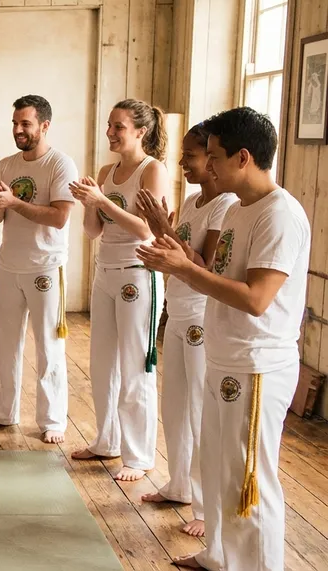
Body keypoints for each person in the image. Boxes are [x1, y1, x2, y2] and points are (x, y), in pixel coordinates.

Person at [138, 107, 310, 571]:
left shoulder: (279, 215)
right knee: (216, 471)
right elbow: (215, 273)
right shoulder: (239, 209)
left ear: (244, 157)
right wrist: (176, 251)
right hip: (225, 355)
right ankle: (220, 556)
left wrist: (184, 269)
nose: (207, 167)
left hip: (256, 364)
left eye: (213, 156)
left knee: (248, 479)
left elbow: (256, 299)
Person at [136, 123, 237, 538]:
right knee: (175, 403)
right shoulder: (195, 200)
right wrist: (161, 239)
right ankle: (178, 483)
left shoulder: (225, 205)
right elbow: (177, 253)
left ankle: (201, 503)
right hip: (177, 310)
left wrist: (162, 227)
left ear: (214, 161)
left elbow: (205, 265)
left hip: (200, 315)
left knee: (196, 406)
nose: (183, 164)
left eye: (192, 155)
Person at [69, 98, 170, 481]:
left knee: (134, 366)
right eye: (109, 126)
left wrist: (100, 201)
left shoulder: (152, 170)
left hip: (138, 272)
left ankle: (140, 455)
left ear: (140, 132)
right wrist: (89, 204)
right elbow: (94, 231)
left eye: (119, 127)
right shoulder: (107, 171)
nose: (110, 133)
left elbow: (147, 228)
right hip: (105, 269)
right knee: (101, 363)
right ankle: (107, 440)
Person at [0, 95, 78, 444]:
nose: (18, 130)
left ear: (44, 125)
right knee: (5, 343)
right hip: (9, 265)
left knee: (49, 346)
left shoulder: (60, 165)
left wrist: (15, 202)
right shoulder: (6, 165)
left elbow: (59, 216)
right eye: (15, 123)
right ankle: (4, 411)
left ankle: (52, 420)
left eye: (25, 124)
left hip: (46, 267)